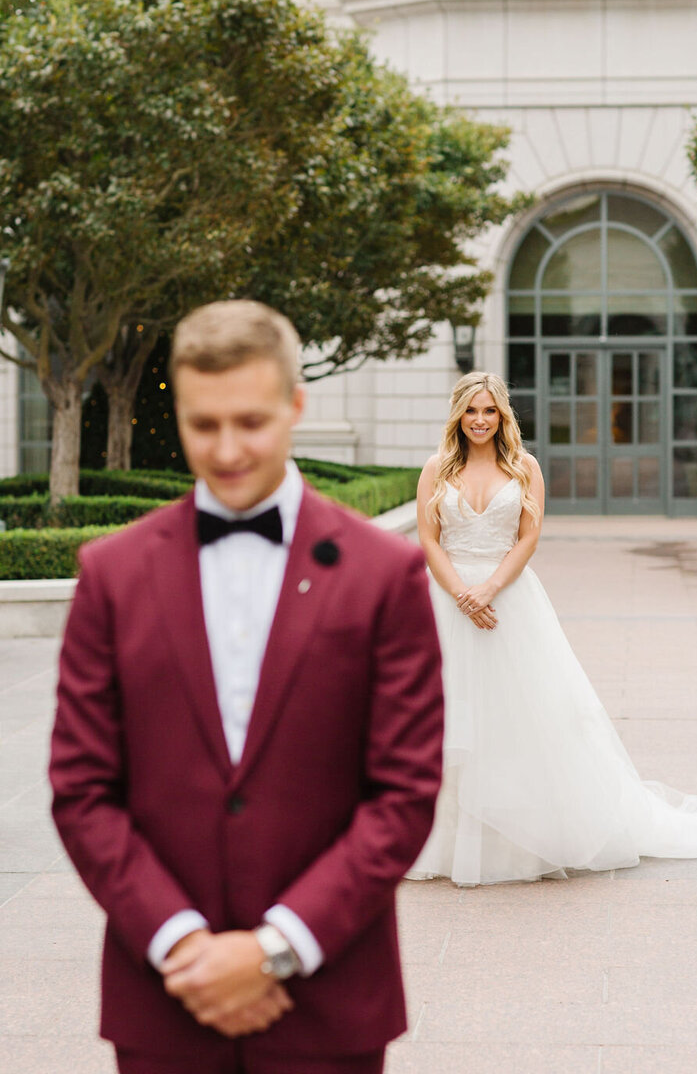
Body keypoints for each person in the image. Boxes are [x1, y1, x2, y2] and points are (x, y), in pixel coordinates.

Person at [49, 300, 444, 1074]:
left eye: (251, 422)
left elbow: (403, 792)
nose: (227, 449)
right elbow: (82, 789)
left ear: (296, 405)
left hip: (327, 1004)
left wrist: (276, 950)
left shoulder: (384, 574)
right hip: (165, 999)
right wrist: (184, 945)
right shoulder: (111, 573)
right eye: (203, 426)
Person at [409, 370, 697, 886]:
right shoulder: (435, 469)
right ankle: (443, 841)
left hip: (508, 600)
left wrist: (489, 590)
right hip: (449, 602)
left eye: (490, 410)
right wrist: (462, 596)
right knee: (447, 721)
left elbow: (528, 539)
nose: (480, 420)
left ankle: (519, 842)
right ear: (457, 414)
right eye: (472, 410)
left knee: (521, 716)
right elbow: (429, 540)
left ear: (502, 416)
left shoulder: (525, 467)